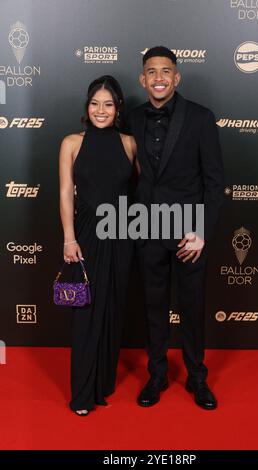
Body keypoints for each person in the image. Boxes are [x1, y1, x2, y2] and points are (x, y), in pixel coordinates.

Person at [127, 46, 224, 410]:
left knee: (193, 308)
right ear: (143, 78)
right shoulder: (132, 119)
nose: (158, 78)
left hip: (188, 235)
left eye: (165, 71)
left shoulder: (200, 118)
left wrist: (201, 232)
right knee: (153, 308)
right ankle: (156, 376)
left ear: (177, 76)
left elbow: (215, 182)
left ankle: (198, 379)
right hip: (148, 230)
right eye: (151, 72)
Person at [59, 75, 136, 416]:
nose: (100, 110)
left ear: (118, 108)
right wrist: (69, 237)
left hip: (121, 237)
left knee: (113, 310)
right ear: (86, 106)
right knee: (86, 314)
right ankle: (83, 393)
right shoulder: (71, 143)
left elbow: (144, 191)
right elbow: (64, 192)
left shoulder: (130, 143)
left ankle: (103, 382)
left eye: (108, 104)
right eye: (94, 103)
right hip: (86, 237)